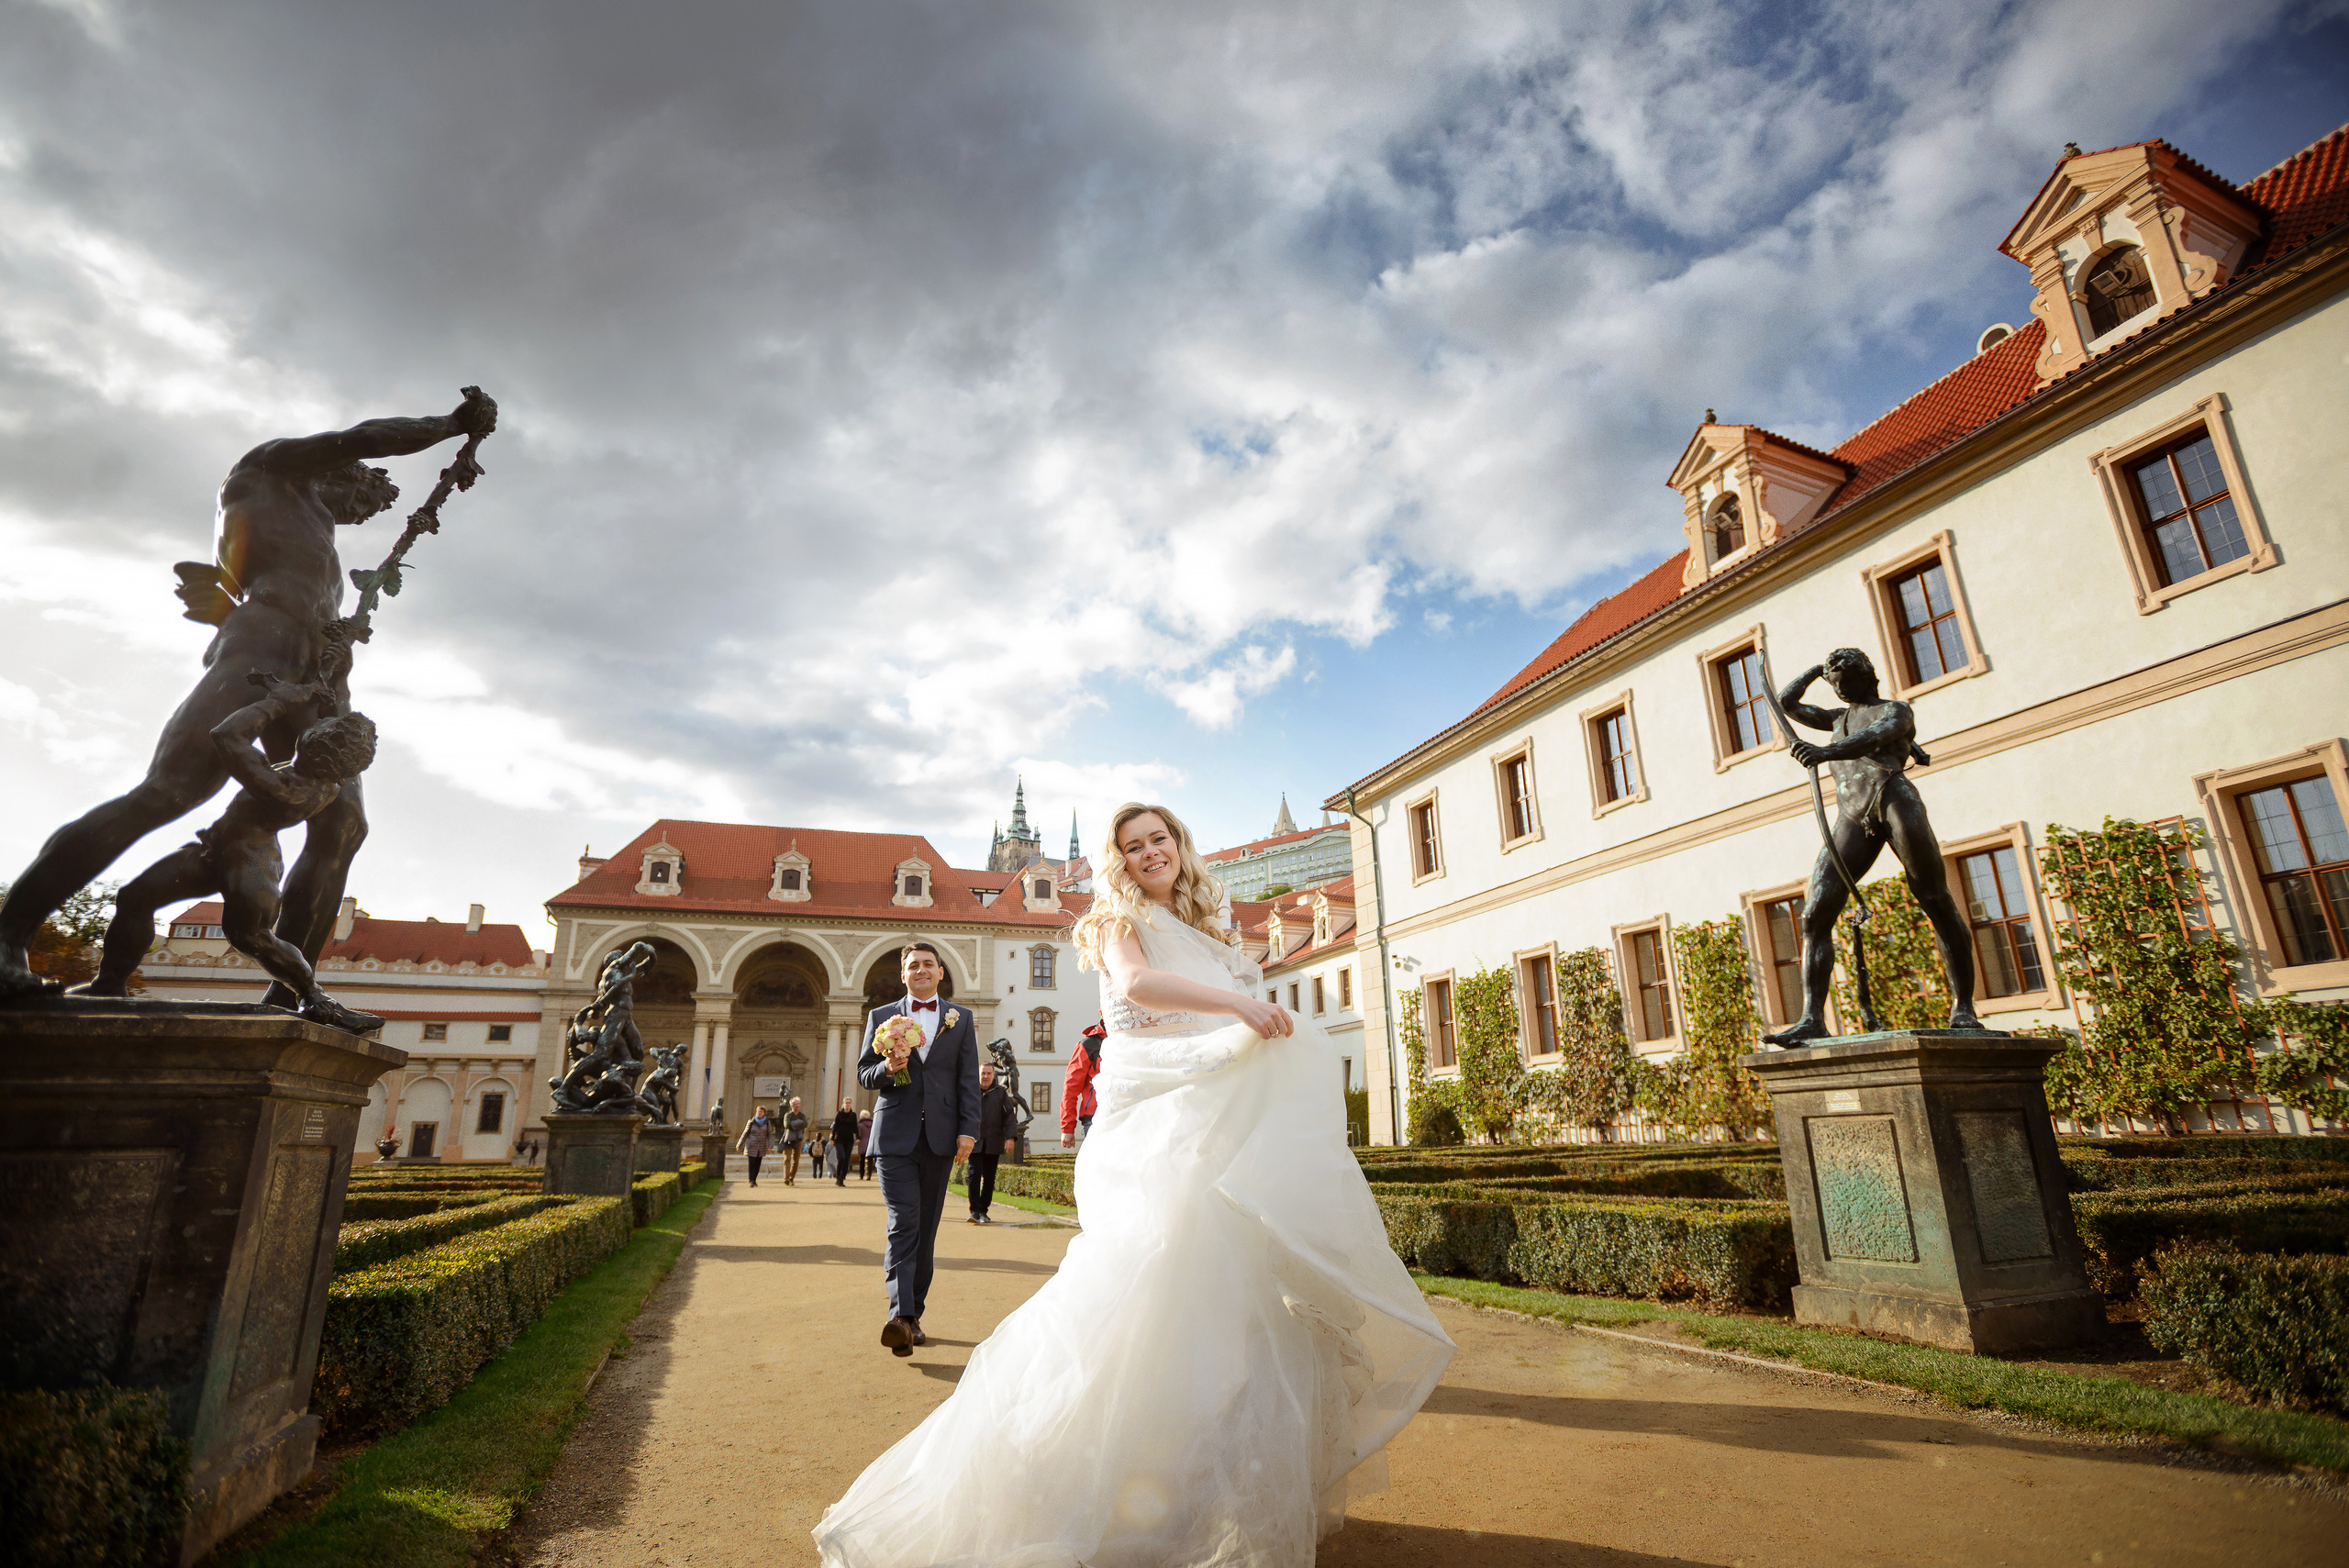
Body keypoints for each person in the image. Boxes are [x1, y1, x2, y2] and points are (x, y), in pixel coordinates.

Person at [814, 804, 1453, 1565]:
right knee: (1149, 1289)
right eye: (1135, 844)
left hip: (1212, 1117)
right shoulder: (1118, 919)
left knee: (1232, 1301)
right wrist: (1241, 1005)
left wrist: (1247, 1016)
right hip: (1156, 1124)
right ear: (1118, 859)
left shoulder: (1204, 926)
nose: (1151, 852)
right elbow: (1139, 984)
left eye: (1160, 838)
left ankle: (1204, 1491)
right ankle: (1080, 1483)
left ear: (1180, 844)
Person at [0, 390, 495, 998]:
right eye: (360, 500)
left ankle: (290, 993)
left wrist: (337, 647)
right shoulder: (269, 469)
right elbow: (365, 438)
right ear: (342, 473)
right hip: (258, 656)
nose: (358, 516)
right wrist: (451, 425)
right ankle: (8, 937)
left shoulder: (316, 535)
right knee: (168, 793)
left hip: (316, 679)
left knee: (343, 824)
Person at [79, 673, 381, 1035]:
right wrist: (320, 697)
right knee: (135, 897)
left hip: (251, 864)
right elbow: (317, 734)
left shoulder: (289, 788)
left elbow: (226, 735)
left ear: (319, 748)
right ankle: (108, 985)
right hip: (217, 849)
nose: (315, 728)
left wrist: (279, 702)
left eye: (322, 731)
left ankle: (314, 997)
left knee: (253, 938)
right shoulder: (321, 775)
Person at [1763, 648, 1984, 1045]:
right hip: (1852, 815)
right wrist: (1817, 669)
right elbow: (1786, 703)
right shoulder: (1837, 718)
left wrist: (1825, 752)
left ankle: (1963, 1008)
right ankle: (1812, 1018)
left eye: (1846, 683)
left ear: (1867, 678)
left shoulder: (1896, 711)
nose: (1840, 691)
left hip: (1894, 800)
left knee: (1935, 898)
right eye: (1835, 685)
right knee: (1814, 915)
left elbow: (1874, 737)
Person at [855, 940, 980, 1357]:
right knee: (903, 1222)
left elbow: (967, 1078)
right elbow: (864, 1074)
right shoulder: (881, 1016)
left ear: (941, 972)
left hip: (941, 1137)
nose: (921, 970)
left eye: (928, 964)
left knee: (926, 1230)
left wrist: (968, 1131)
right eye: (913, 965)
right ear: (903, 974)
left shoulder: (960, 1018)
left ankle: (913, 1316)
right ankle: (900, 1316)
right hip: (894, 1135)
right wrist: (887, 1068)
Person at [965, 1062, 1017, 1225]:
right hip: (975, 1141)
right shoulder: (971, 1092)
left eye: (989, 1073)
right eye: (983, 1073)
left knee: (989, 1178)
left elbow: (1009, 1116)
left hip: (993, 1142)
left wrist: (1010, 1137)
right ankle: (974, 1210)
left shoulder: (1000, 1093)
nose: (986, 1076)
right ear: (978, 1074)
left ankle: (983, 1211)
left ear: (994, 1075)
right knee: (973, 1175)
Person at [1060, 1017, 1106, 1149]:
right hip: (1095, 1118)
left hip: (1130, 1114)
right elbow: (1071, 1088)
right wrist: (1067, 1128)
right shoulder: (1088, 1045)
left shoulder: (1131, 1040)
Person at [735, 1105, 774, 1186]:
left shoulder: (767, 1123)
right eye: (758, 1111)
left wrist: (770, 1146)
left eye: (761, 1112)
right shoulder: (751, 1122)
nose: (760, 1113)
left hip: (761, 1146)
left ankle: (754, 1179)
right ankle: (751, 1180)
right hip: (751, 1146)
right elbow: (745, 1134)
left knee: (757, 1164)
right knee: (752, 1164)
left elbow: (769, 1135)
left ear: (764, 1113)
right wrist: (739, 1145)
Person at [780, 1095, 809, 1184]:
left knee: (796, 1160)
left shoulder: (802, 1115)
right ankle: (786, 1178)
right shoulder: (788, 1115)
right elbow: (787, 1125)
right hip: (788, 1139)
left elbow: (805, 1124)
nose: (797, 1105)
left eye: (798, 1104)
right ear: (791, 1106)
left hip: (798, 1139)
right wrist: (798, 1123)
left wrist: (794, 1124)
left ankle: (791, 1177)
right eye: (795, 1104)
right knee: (787, 1158)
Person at [831, 1096, 859, 1187]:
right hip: (839, 1139)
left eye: (849, 1103)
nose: (848, 1104)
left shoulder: (853, 1115)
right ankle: (838, 1177)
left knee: (847, 1159)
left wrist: (858, 1137)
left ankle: (842, 1178)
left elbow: (855, 1127)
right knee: (842, 1157)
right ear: (843, 1104)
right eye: (846, 1103)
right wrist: (832, 1138)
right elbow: (835, 1126)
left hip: (849, 1140)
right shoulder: (839, 1114)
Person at [855, 1109, 874, 1180]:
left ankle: (861, 1175)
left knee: (862, 1160)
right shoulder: (873, 1124)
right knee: (870, 1160)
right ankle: (869, 1175)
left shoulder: (859, 1125)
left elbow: (859, 1135)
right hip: (871, 1143)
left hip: (862, 1143)